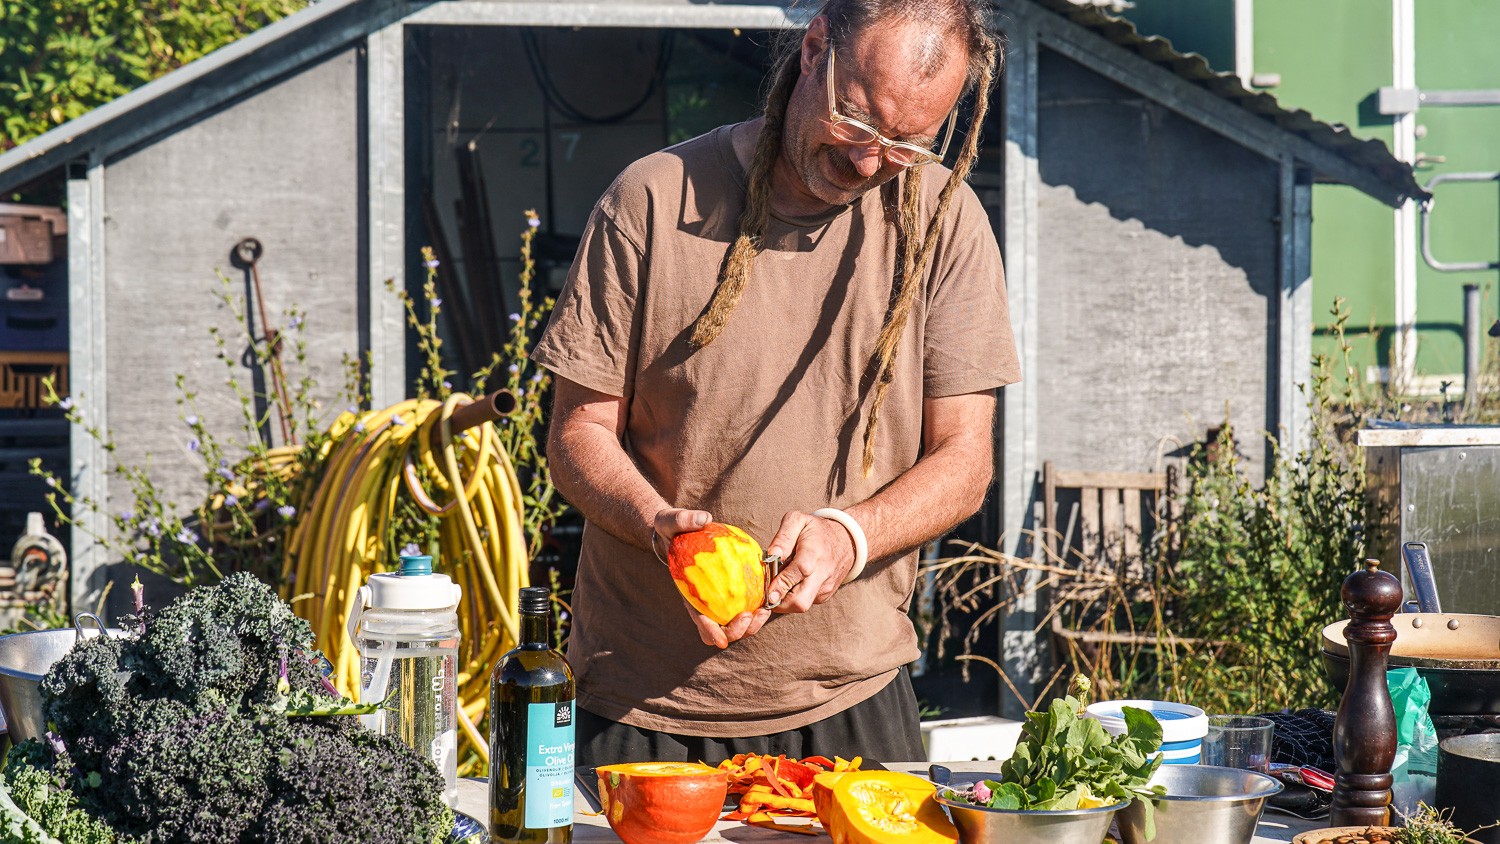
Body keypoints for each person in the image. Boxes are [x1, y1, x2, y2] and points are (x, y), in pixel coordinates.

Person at [532, 0, 1020, 767]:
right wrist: (656, 522)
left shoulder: (944, 221)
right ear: (816, 47)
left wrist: (850, 538)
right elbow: (575, 434)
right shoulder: (652, 201)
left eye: (908, 144)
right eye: (856, 122)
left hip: (851, 695)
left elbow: (966, 461)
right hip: (641, 701)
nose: (868, 161)